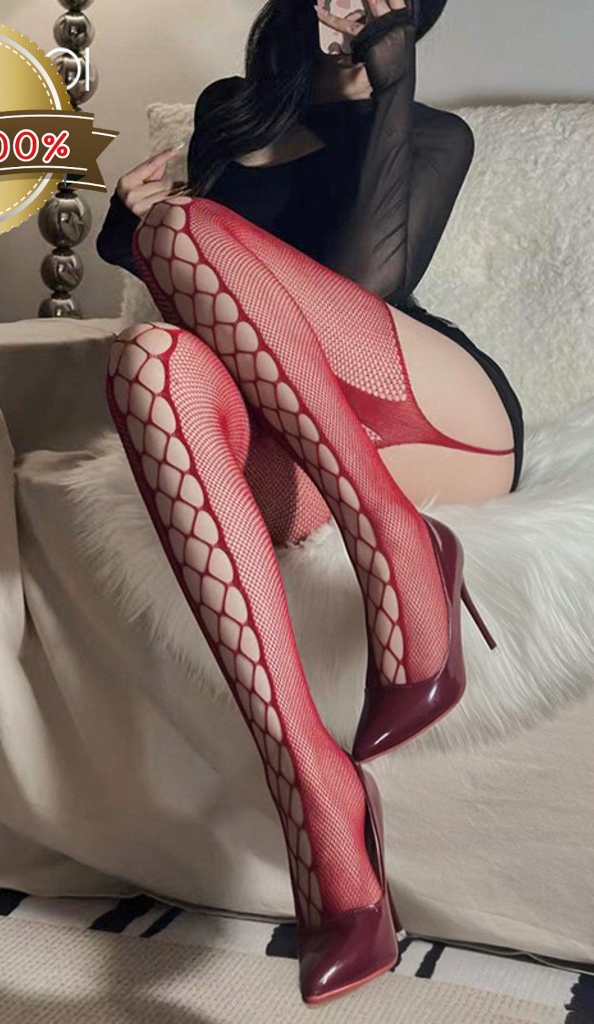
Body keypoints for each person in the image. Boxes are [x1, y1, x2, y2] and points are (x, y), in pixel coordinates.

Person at [96, 0, 523, 1003]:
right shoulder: (230, 114)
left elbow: (367, 283)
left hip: (425, 411)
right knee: (150, 358)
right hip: (298, 439)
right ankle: (314, 788)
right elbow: (199, 294)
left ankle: (398, 544)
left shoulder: (434, 134)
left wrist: (394, 85)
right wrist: (124, 226)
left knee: (191, 228)